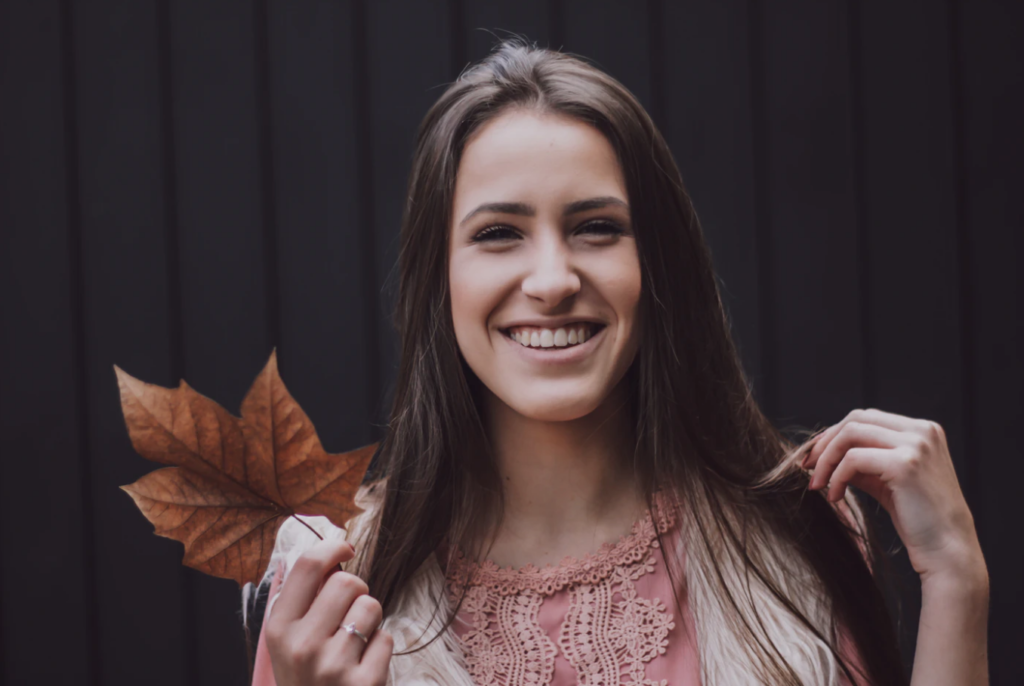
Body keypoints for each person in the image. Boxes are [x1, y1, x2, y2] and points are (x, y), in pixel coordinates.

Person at [242, 38, 989, 686]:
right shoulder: (332, 600)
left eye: (596, 228)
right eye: (499, 233)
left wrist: (957, 579)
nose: (552, 280)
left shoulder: (799, 534)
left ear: (656, 265)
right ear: (438, 280)